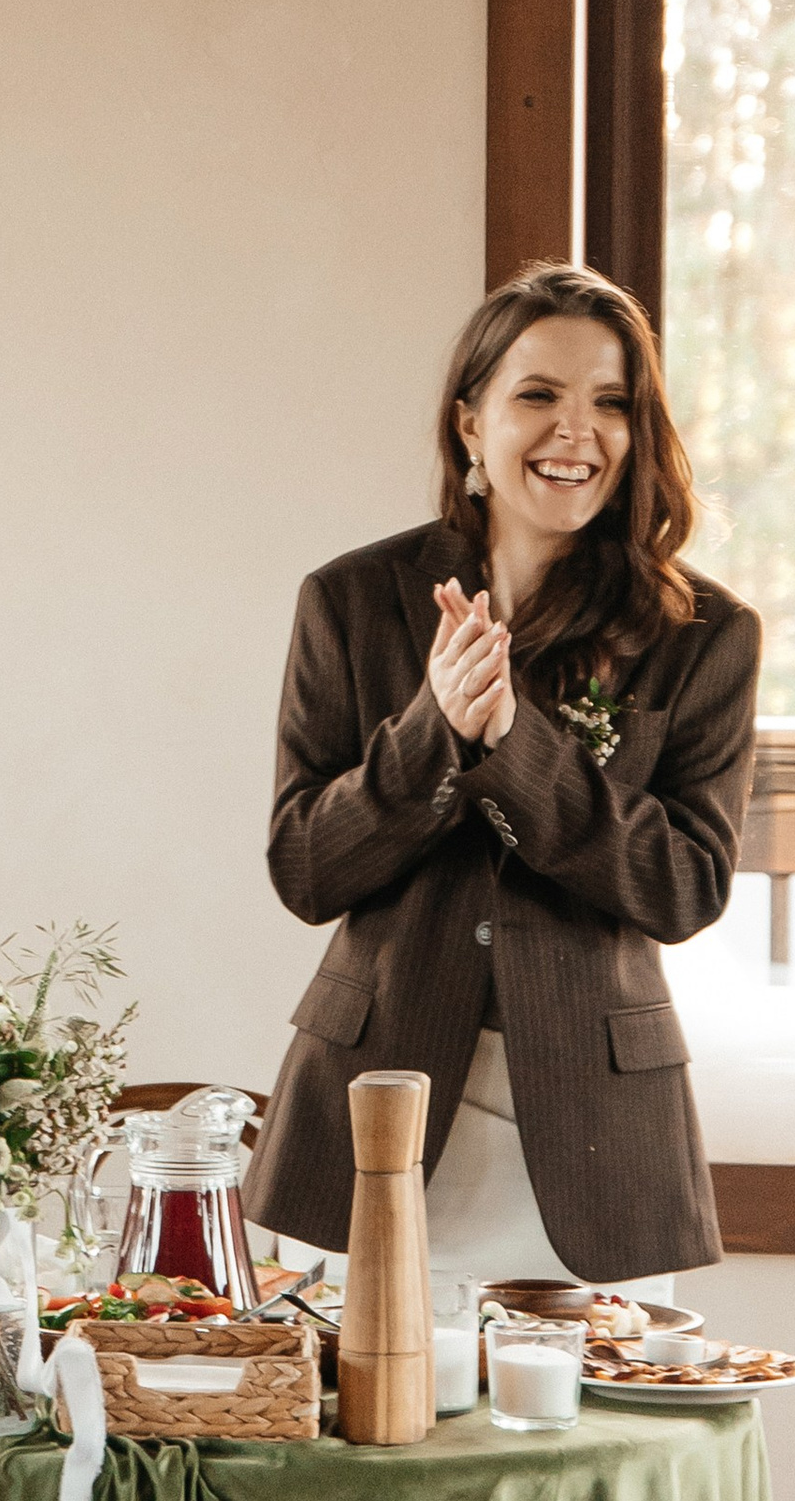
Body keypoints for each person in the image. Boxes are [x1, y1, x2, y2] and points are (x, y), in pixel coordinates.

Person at [246, 262, 760, 1289]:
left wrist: (517, 745)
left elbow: (684, 887)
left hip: (595, 1143)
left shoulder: (700, 635)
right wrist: (431, 728)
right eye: (538, 395)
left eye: (610, 402)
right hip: (368, 1115)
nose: (577, 432)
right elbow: (305, 869)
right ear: (471, 425)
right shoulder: (349, 600)